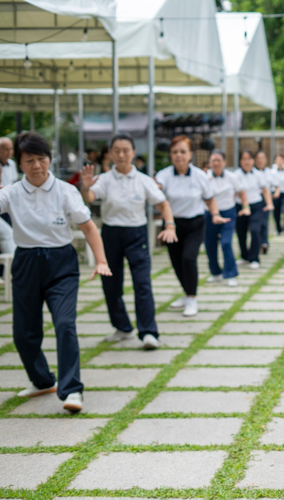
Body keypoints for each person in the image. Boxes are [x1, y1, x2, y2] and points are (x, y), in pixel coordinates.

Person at [5, 132, 111, 413]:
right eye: (29, 160)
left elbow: (89, 227)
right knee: (23, 333)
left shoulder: (66, 191)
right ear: (19, 162)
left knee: (65, 325)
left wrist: (101, 261)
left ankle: (72, 390)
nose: (37, 165)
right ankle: (42, 381)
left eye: (42, 159)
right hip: (26, 263)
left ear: (49, 159)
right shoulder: (11, 193)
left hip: (61, 264)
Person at [79, 133, 178, 350]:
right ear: (111, 153)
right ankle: (122, 327)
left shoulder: (143, 180)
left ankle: (149, 332)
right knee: (111, 284)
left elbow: (163, 204)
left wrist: (170, 225)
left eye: (126, 150)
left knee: (142, 283)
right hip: (111, 235)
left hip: (137, 235)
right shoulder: (105, 179)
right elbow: (90, 197)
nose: (121, 155)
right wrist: (85, 186)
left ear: (133, 153)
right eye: (117, 150)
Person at [155, 136, 229, 317]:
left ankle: (191, 298)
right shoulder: (163, 175)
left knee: (188, 258)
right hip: (172, 225)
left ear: (190, 154)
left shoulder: (200, 175)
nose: (179, 155)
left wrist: (216, 215)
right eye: (175, 152)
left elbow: (210, 200)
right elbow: (156, 194)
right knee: (177, 263)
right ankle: (186, 292)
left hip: (195, 224)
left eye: (183, 152)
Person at [205, 150, 249, 287]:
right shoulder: (205, 177)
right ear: (210, 163)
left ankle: (230, 273)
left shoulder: (232, 177)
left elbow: (242, 192)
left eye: (219, 160)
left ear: (224, 162)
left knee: (226, 243)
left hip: (228, 213)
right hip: (210, 215)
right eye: (213, 160)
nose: (216, 163)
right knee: (210, 244)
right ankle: (215, 273)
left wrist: (245, 207)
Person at [235, 150, 274, 269]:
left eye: (249, 159)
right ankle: (244, 256)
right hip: (240, 207)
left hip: (256, 206)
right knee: (241, 232)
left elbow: (265, 190)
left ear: (253, 161)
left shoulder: (258, 174)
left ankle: (254, 257)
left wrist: (269, 204)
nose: (246, 162)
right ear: (240, 161)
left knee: (255, 230)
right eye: (244, 159)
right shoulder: (236, 175)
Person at [255, 150, 272, 254]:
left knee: (264, 222)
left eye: (262, 158)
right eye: (258, 158)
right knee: (257, 224)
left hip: (267, 199)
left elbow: (275, 184)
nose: (260, 160)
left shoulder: (269, 172)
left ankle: (264, 242)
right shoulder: (253, 172)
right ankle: (258, 243)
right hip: (256, 199)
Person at [0, 137, 18, 227]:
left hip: (11, 200)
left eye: (11, 149)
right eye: (7, 149)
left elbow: (14, 181)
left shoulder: (12, 164)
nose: (10, 152)